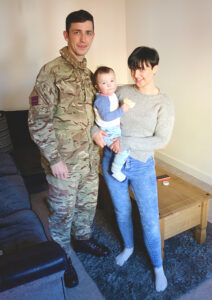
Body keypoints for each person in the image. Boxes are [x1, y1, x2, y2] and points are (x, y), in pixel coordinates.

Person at [28, 9, 110, 287]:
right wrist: (54, 159)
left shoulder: (90, 74)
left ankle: (83, 239)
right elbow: (38, 121)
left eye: (88, 32)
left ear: (93, 35)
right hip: (63, 163)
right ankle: (61, 258)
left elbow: (93, 116)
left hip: (88, 160)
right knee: (62, 215)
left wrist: (99, 133)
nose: (83, 38)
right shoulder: (50, 72)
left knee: (87, 207)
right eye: (77, 32)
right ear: (66, 35)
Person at [94, 46, 175, 292]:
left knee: (149, 219)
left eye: (142, 69)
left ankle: (158, 266)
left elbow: (161, 140)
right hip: (110, 159)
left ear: (155, 68)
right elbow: (97, 114)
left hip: (141, 165)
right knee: (121, 210)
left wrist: (126, 142)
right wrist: (94, 131)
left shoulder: (164, 102)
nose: (136, 74)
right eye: (133, 68)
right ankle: (128, 246)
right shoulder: (120, 90)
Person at [93, 66, 134, 182]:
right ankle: (116, 170)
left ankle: (121, 165)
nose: (110, 85)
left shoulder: (110, 94)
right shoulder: (101, 99)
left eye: (112, 81)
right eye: (104, 83)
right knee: (123, 149)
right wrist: (122, 109)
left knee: (124, 146)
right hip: (107, 131)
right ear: (97, 87)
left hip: (113, 128)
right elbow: (106, 117)